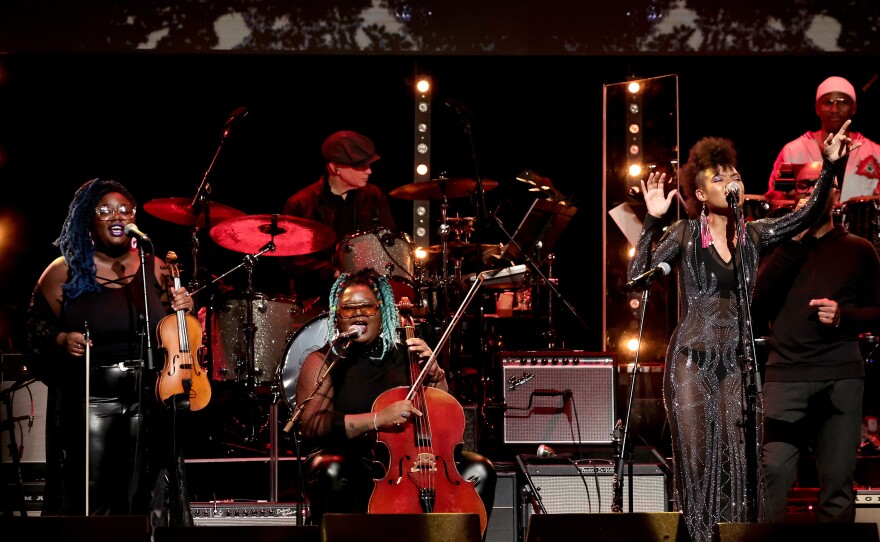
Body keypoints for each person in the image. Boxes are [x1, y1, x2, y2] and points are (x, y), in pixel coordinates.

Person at [628, 121, 857, 542]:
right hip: (691, 360)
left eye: (733, 175)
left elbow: (805, 214)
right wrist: (651, 220)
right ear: (700, 194)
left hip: (737, 361)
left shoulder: (754, 234)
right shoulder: (682, 233)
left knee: (739, 462)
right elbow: (638, 278)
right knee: (697, 463)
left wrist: (827, 168)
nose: (730, 181)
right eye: (718, 178)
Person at [23, 178, 195, 518]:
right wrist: (61, 339)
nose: (117, 216)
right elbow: (33, 331)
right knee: (95, 496)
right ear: (88, 218)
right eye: (105, 210)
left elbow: (174, 338)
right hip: (91, 400)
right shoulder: (63, 272)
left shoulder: (156, 267)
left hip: (148, 398)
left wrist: (183, 307)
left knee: (146, 500)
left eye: (125, 210)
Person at [293, 267, 496, 528]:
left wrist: (436, 374)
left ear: (383, 311)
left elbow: (443, 419)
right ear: (336, 316)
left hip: (408, 459)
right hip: (356, 460)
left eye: (367, 306)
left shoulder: (408, 354)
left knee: (480, 469)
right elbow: (312, 424)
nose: (358, 313)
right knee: (332, 469)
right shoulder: (324, 361)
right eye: (348, 308)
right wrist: (378, 419)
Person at [753, 161, 880, 523]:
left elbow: (877, 311)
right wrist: (792, 238)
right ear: (795, 197)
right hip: (785, 376)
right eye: (805, 186)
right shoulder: (777, 248)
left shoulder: (859, 250)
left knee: (837, 487)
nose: (812, 192)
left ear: (836, 195)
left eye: (821, 185)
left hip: (839, 376)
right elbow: (756, 305)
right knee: (774, 473)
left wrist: (845, 316)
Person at [280, 130, 398, 310]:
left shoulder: (374, 197)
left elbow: (390, 245)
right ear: (335, 168)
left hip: (369, 296)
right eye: (360, 166)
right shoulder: (300, 204)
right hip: (317, 299)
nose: (369, 171)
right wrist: (332, 272)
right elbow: (290, 260)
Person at [765, 76, 880, 204]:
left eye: (842, 102)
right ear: (817, 107)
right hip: (810, 224)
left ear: (853, 108)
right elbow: (773, 202)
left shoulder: (875, 152)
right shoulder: (793, 151)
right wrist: (788, 198)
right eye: (828, 102)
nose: (834, 109)